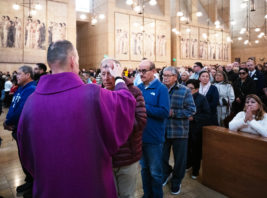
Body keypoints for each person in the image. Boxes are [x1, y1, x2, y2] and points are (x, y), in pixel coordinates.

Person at [17, 40, 136, 198]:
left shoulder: (30, 102)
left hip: (50, 187)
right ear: (73, 60)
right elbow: (125, 103)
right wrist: (119, 78)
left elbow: (26, 153)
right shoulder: (92, 94)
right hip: (91, 186)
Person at [100, 58, 147, 198]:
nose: (107, 78)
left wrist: (113, 123)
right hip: (106, 157)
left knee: (126, 195)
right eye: (103, 74)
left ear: (119, 73)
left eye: (110, 73)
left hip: (127, 156)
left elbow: (140, 121)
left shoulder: (133, 91)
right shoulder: (98, 93)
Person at [137, 60, 170, 198]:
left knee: (155, 172)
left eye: (144, 71)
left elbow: (164, 112)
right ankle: (147, 194)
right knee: (144, 169)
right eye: (140, 71)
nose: (141, 73)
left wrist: (143, 107)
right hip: (140, 137)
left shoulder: (161, 88)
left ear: (154, 71)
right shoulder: (138, 87)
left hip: (154, 137)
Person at [161, 66, 196, 195]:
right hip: (163, 130)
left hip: (179, 131)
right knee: (161, 157)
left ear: (175, 77)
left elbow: (192, 110)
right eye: (164, 75)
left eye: (168, 75)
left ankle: (176, 180)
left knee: (180, 160)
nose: (165, 77)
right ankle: (166, 172)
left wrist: (173, 113)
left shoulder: (185, 91)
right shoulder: (160, 89)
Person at [3, 66, 36, 196]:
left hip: (25, 130)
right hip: (16, 128)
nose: (17, 76)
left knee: (28, 157)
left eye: (19, 74)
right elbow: (13, 107)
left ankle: (33, 183)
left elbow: (23, 110)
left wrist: (9, 122)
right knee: (23, 156)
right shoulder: (21, 88)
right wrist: (7, 121)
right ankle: (29, 180)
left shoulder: (31, 89)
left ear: (28, 75)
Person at [185, 79, 210, 179]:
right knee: (186, 149)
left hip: (196, 128)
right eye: (186, 87)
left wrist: (194, 118)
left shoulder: (202, 99)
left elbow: (207, 114)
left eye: (190, 88)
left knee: (196, 150)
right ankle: (188, 164)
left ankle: (195, 170)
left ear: (197, 89)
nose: (188, 90)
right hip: (184, 127)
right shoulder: (184, 97)